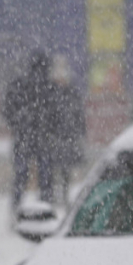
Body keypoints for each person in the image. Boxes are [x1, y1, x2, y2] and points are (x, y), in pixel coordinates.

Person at [2, 50, 58, 215]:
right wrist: (50, 128)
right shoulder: (51, 87)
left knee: (21, 175)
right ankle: (46, 212)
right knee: (45, 177)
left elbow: (7, 109)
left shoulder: (19, 84)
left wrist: (19, 123)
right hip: (43, 138)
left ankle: (15, 209)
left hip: (23, 137)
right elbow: (58, 114)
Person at [50, 54, 86, 206]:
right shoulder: (51, 92)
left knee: (65, 169)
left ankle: (63, 195)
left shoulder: (70, 92)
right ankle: (53, 196)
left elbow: (79, 114)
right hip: (56, 136)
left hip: (67, 136)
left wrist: (80, 131)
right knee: (53, 168)